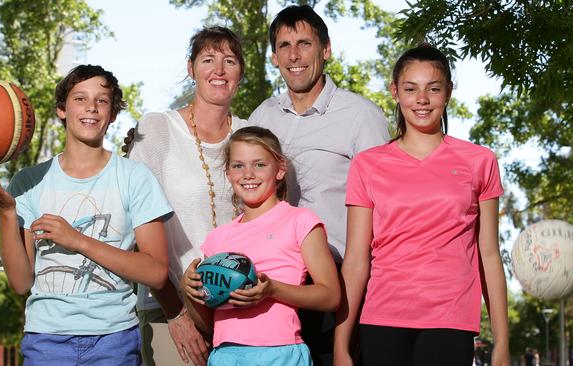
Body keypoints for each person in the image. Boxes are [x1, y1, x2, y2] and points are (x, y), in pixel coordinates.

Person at [0, 65, 171, 365]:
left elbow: (156, 273)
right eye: (80, 98)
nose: (91, 107)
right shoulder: (29, 183)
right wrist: (6, 212)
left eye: (102, 100)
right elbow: (20, 282)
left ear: (113, 113)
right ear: (61, 110)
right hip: (45, 339)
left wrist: (77, 240)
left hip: (114, 339)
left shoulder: (135, 178)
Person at [334, 44, 511, 366]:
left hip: (450, 317)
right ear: (395, 92)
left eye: (433, 89)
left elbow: (488, 254)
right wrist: (341, 343)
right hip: (382, 317)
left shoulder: (480, 161)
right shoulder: (367, 164)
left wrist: (502, 342)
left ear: (448, 92)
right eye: (411, 89)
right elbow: (356, 259)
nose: (422, 99)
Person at [247, 5, 390, 364]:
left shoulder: (361, 116)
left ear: (326, 50)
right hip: (272, 286)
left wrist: (359, 309)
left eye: (304, 43)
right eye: (283, 46)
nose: (293, 56)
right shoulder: (262, 116)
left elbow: (385, 213)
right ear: (275, 56)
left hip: (340, 285)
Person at [126, 26, 245, 366]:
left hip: (241, 311)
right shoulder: (158, 129)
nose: (219, 70)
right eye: (208, 59)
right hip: (172, 310)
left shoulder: (250, 134)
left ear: (240, 73)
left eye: (230, 61)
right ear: (191, 69)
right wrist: (176, 313)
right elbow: (138, 233)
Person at [182, 126, 341, 366]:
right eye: (238, 165)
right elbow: (208, 322)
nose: (248, 174)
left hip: (279, 354)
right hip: (224, 356)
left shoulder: (301, 221)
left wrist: (272, 290)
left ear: (280, 169)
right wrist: (190, 292)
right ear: (227, 173)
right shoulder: (217, 239)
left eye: (259, 164)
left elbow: (331, 296)